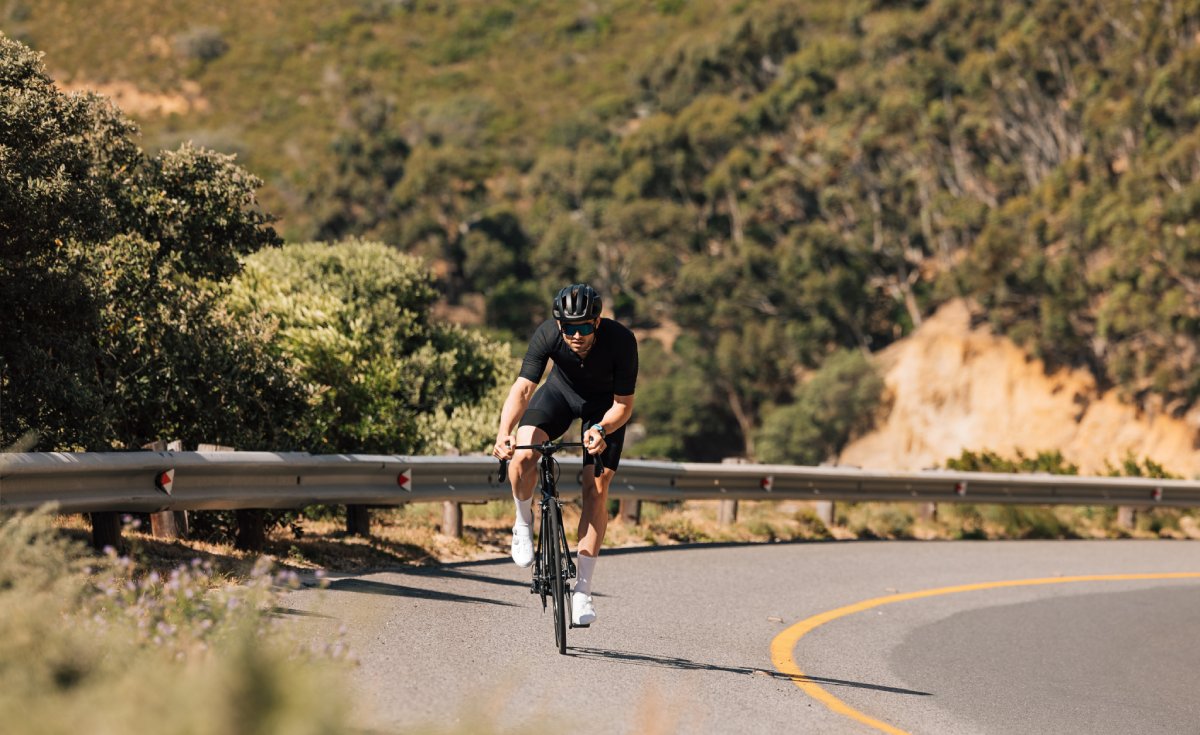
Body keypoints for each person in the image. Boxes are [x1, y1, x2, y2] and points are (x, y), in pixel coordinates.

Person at [492, 283, 638, 626]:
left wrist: (601, 429)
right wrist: (504, 433)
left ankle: (583, 592)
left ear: (597, 322)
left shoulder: (621, 341)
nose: (576, 335)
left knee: (596, 489)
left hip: (604, 410)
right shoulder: (547, 334)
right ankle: (523, 522)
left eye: (584, 327)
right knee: (524, 454)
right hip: (559, 395)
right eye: (569, 328)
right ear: (559, 325)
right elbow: (525, 388)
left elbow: (624, 406)